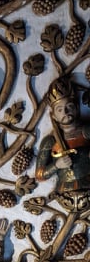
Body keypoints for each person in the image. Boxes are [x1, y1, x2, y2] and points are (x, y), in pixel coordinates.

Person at [35, 76, 90, 213]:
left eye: (69, 107)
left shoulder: (87, 131)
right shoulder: (50, 141)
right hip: (64, 192)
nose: (65, 112)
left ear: (76, 108)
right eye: (59, 110)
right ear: (54, 115)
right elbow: (40, 174)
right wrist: (56, 166)